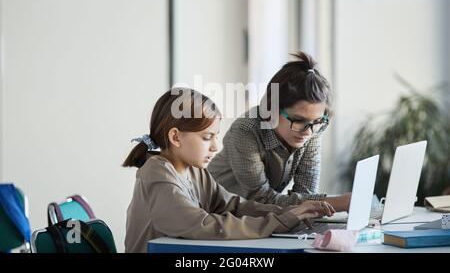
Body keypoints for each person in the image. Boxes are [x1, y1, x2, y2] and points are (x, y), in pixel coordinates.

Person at [123, 88, 335, 253]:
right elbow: (203, 225)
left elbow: (234, 206)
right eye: (207, 138)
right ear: (176, 137)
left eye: (216, 136)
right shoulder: (158, 177)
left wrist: (289, 213)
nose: (215, 146)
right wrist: (279, 222)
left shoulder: (195, 172)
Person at [208, 52, 351, 212]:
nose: (308, 132)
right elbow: (262, 199)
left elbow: (306, 193)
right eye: (298, 120)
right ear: (270, 110)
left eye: (316, 122)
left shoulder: (313, 128)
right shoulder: (245, 131)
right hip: (215, 213)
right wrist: (338, 203)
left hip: (256, 218)